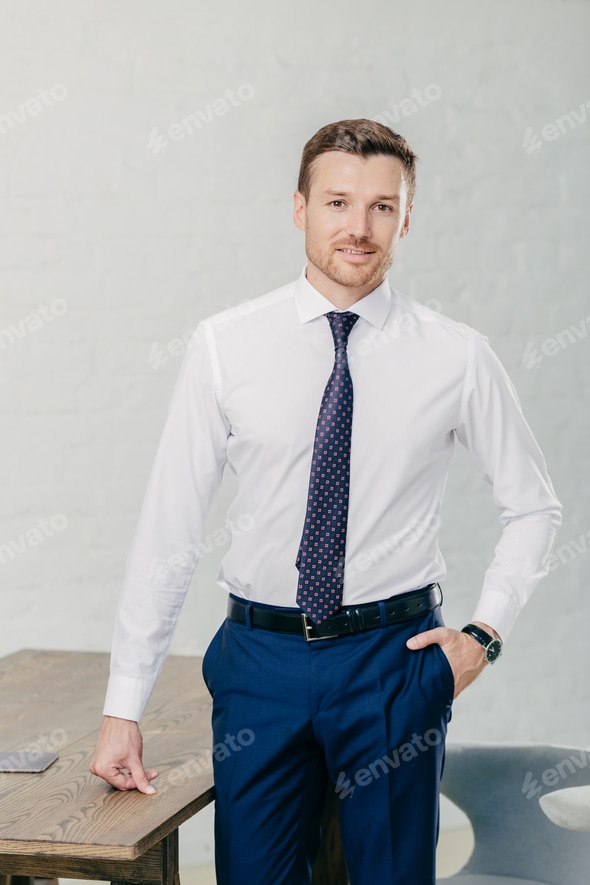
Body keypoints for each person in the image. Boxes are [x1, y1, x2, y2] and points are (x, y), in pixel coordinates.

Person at [90, 119, 562, 885]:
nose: (359, 227)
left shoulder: (456, 354)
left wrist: (485, 632)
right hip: (258, 664)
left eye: (382, 206)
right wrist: (123, 704)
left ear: (406, 218)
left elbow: (535, 507)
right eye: (339, 201)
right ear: (300, 207)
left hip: (392, 663)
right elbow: (168, 531)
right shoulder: (225, 345)